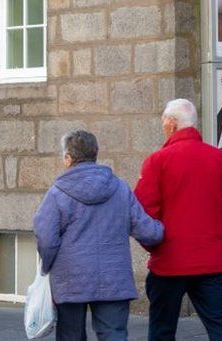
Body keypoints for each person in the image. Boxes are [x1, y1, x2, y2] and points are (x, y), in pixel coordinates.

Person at [135, 99, 222, 341]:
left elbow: (142, 215)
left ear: (172, 123)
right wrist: (219, 239)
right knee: (221, 325)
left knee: (162, 329)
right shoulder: (219, 159)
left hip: (168, 262)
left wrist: (156, 245)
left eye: (164, 121)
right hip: (211, 259)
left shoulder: (157, 161)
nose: (163, 125)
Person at [33, 130, 164, 341]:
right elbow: (148, 231)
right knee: (114, 335)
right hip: (114, 277)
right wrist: (166, 229)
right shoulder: (120, 188)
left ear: (68, 158)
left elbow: (46, 238)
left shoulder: (57, 193)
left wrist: (46, 267)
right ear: (96, 154)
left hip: (70, 279)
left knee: (70, 336)